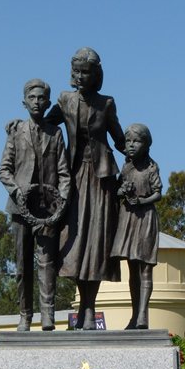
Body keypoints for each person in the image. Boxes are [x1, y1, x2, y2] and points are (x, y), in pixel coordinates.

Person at [46, 47, 125, 330]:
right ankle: (84, 307)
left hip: (102, 179)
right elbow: (44, 123)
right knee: (75, 243)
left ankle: (89, 310)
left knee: (97, 244)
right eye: (76, 71)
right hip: (74, 178)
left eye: (85, 72)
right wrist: (18, 126)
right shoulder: (65, 100)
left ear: (96, 75)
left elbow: (119, 139)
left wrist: (141, 159)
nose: (80, 76)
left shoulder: (107, 104)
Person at [0, 79, 71, 331]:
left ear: (48, 103)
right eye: (33, 98)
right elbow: (4, 170)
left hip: (48, 210)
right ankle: (24, 315)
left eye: (42, 98)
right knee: (22, 265)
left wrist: (61, 201)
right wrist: (17, 192)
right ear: (24, 102)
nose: (37, 102)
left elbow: (64, 173)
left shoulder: (56, 134)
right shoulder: (16, 132)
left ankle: (48, 314)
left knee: (47, 262)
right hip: (20, 209)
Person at [110, 124, 162, 329]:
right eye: (128, 141)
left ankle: (143, 316)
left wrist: (142, 201)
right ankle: (134, 316)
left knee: (145, 269)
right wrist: (122, 190)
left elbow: (159, 193)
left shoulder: (151, 168)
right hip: (128, 219)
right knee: (132, 269)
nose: (131, 145)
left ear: (147, 144)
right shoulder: (126, 167)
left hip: (145, 219)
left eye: (137, 141)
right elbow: (115, 192)